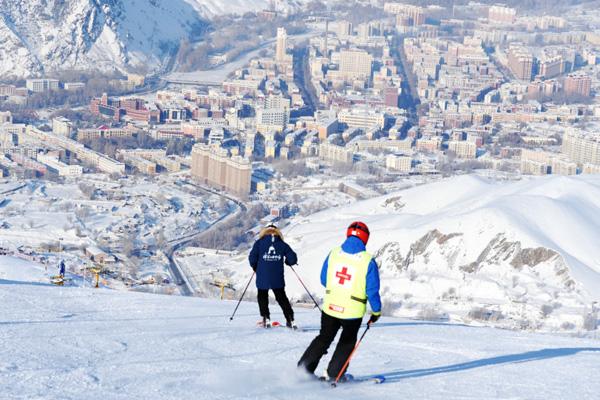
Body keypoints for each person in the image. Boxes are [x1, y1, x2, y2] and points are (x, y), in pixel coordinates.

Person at [297, 221, 381, 381]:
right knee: (346, 342)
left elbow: (324, 279)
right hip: (352, 311)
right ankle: (334, 374)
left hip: (330, 307)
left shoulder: (334, 253)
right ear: (365, 239)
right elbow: (372, 291)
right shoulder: (368, 261)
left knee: (324, 337)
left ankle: (303, 369)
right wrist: (376, 311)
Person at [249, 223, 298, 328]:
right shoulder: (282, 244)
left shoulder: (259, 243)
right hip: (277, 277)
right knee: (281, 297)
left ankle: (266, 318)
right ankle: (290, 319)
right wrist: (288, 262)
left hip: (262, 275)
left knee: (262, 296)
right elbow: (293, 259)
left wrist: (255, 267)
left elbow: (252, 258)